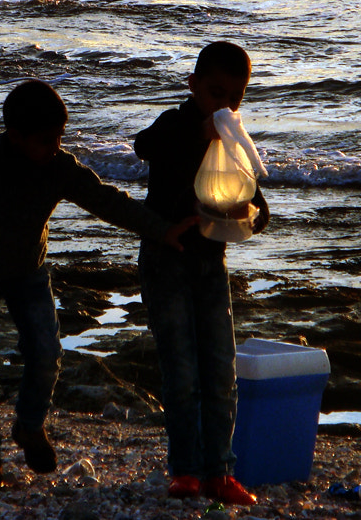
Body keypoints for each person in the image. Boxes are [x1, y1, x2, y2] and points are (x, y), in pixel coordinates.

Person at [0, 79, 195, 491]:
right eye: (46, 140)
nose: (55, 146)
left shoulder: (58, 166)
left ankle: (29, 426)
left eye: (60, 137)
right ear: (15, 136)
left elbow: (107, 200)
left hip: (26, 271)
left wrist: (162, 231)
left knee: (47, 353)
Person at [134, 41, 270, 506]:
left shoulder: (234, 143)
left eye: (236, 98)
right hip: (164, 259)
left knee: (219, 370)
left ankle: (219, 472)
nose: (226, 106)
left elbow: (259, 205)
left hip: (210, 263)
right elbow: (144, 145)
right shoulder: (176, 124)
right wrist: (202, 130)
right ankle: (187, 470)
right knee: (182, 371)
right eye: (216, 94)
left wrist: (245, 214)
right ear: (193, 87)